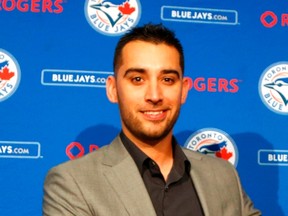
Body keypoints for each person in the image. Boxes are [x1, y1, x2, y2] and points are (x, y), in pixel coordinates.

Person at [43, 23, 261, 216]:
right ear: (113, 89)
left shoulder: (223, 175)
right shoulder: (72, 182)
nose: (155, 95)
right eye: (137, 79)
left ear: (183, 90)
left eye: (167, 79)